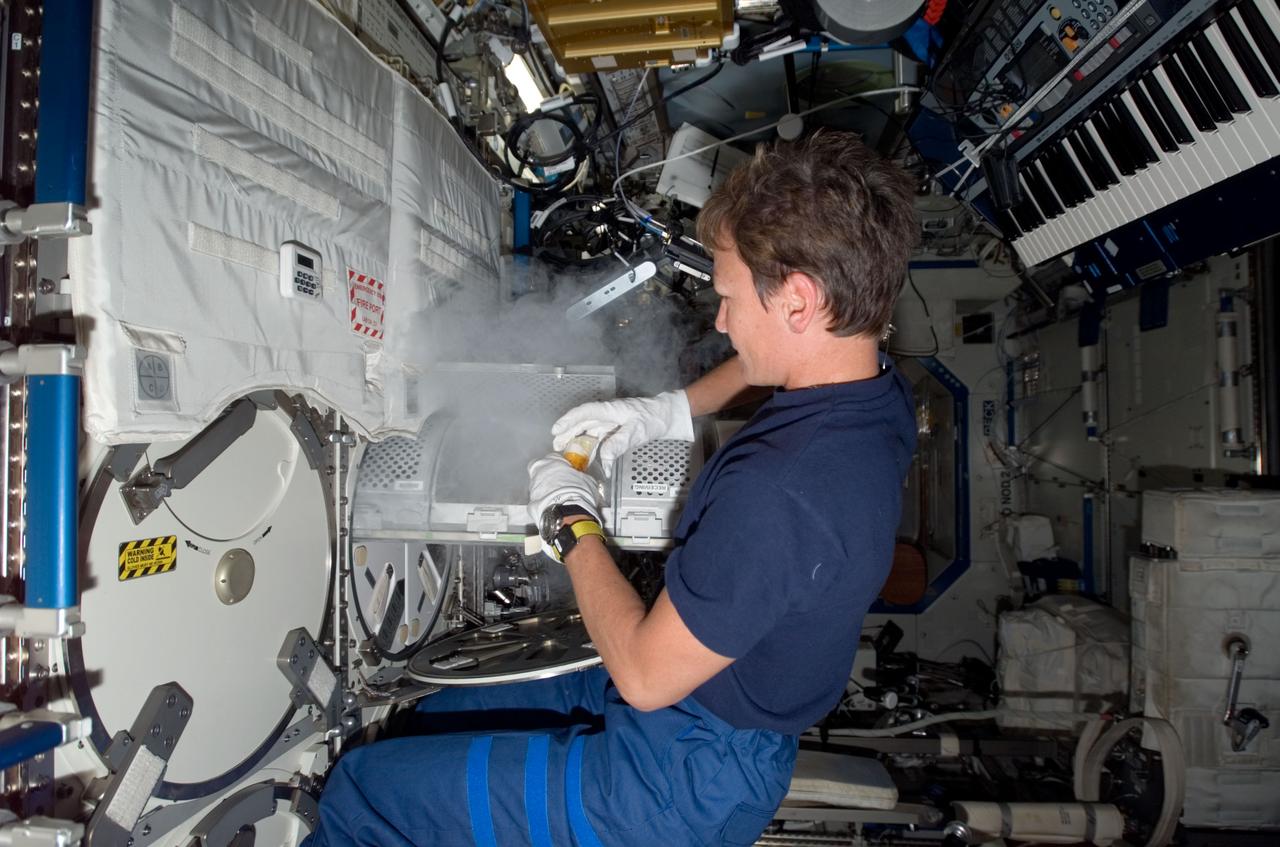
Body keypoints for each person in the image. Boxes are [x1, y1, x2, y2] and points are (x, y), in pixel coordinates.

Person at [306, 130, 919, 846]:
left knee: (366, 792)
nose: (720, 319)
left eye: (727, 297)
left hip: (672, 785)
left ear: (800, 300)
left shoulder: (777, 494)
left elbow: (644, 675)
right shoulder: (876, 394)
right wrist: (673, 408)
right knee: (443, 708)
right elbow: (769, 364)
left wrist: (571, 519)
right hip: (708, 712)